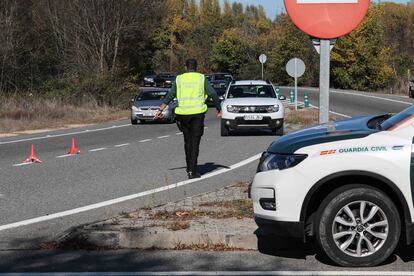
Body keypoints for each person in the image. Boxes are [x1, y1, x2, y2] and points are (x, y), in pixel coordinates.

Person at [155, 59, 222, 179]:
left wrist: (160, 110)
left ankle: (188, 168)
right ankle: (192, 171)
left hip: (183, 115)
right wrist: (218, 108)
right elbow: (213, 93)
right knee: (195, 142)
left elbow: (171, 94)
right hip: (197, 114)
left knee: (187, 141)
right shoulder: (201, 78)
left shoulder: (179, 79)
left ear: (185, 67)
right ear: (196, 67)